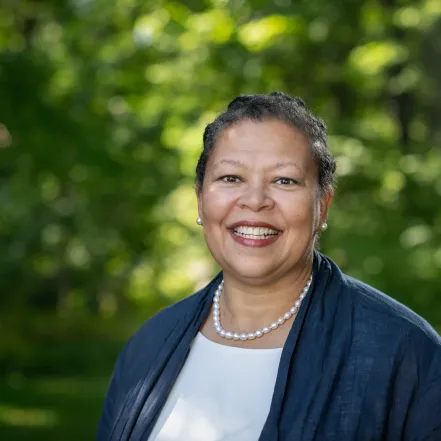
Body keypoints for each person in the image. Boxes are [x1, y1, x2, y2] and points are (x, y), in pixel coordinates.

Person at [96, 92, 441, 441]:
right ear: (200, 198)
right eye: (231, 178)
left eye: (284, 180)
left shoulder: (402, 351)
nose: (255, 200)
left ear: (323, 204)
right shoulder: (148, 348)